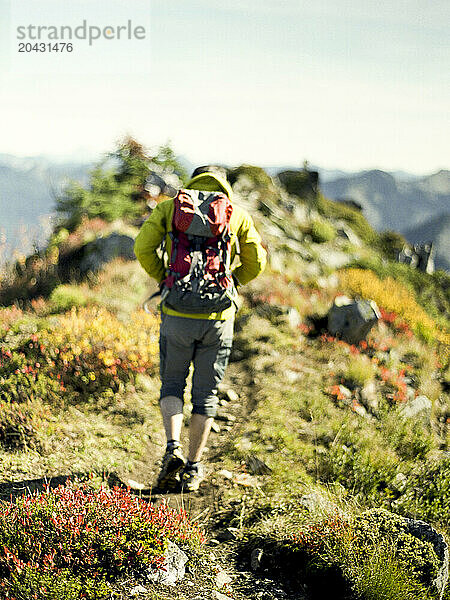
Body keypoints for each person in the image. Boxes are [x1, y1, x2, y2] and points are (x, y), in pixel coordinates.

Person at [134, 165, 266, 492]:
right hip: (218, 319)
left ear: (192, 181)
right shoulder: (236, 215)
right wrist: (233, 281)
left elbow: (141, 248)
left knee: (172, 385)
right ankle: (193, 468)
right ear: (224, 183)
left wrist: (166, 278)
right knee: (205, 396)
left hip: (177, 313)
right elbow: (257, 262)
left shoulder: (169, 207)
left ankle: (171, 449)